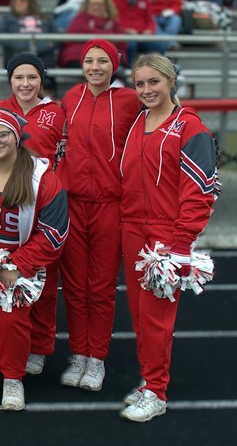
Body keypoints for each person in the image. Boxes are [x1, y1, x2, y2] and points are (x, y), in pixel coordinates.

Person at [119, 53, 217, 422]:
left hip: (165, 236)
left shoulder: (190, 128)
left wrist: (180, 242)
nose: (146, 90)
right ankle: (149, 381)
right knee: (140, 317)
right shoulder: (137, 122)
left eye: (153, 82)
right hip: (131, 229)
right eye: (140, 84)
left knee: (157, 318)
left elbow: (200, 192)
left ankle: (157, 392)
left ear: (171, 81)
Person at [0, 109, 69, 411]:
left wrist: (18, 265)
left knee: (12, 321)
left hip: (19, 260)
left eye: (2, 134)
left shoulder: (41, 176)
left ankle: (13, 378)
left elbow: (54, 232)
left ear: (17, 136)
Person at [56, 39, 142, 393]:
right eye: (89, 60)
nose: (94, 66)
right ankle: (79, 353)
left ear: (114, 64)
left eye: (102, 61)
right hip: (74, 204)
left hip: (110, 205)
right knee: (75, 287)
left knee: (102, 287)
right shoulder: (71, 99)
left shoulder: (129, 101)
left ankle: (97, 358)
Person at [0, 53, 65, 375]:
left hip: (43, 202)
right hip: (5, 203)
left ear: (41, 80)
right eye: (19, 77)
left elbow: (65, 156)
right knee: (4, 272)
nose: (25, 84)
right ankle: (6, 343)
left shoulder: (57, 112)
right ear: (10, 80)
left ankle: (39, 345)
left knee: (43, 277)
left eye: (32, 77)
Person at [0, 0, 57, 93]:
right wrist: (18, 44)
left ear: (30, 2)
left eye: (22, 0)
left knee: (47, 62)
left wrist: (46, 45)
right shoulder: (8, 18)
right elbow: (0, 37)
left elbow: (56, 35)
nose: (18, 3)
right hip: (18, 55)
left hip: (42, 55)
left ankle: (47, 95)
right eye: (15, 1)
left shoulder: (44, 17)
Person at [59, 0, 126, 68]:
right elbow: (71, 36)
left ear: (106, 6)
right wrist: (106, 36)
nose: (96, 7)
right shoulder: (79, 18)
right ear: (87, 5)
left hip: (107, 56)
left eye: (99, 4)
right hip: (78, 56)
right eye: (93, 4)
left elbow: (122, 42)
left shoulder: (113, 22)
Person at [113, 0, 165, 66]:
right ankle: (128, 70)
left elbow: (150, 19)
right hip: (124, 35)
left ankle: (158, 69)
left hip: (142, 34)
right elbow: (113, 18)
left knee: (160, 46)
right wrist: (125, 30)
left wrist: (149, 30)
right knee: (131, 45)